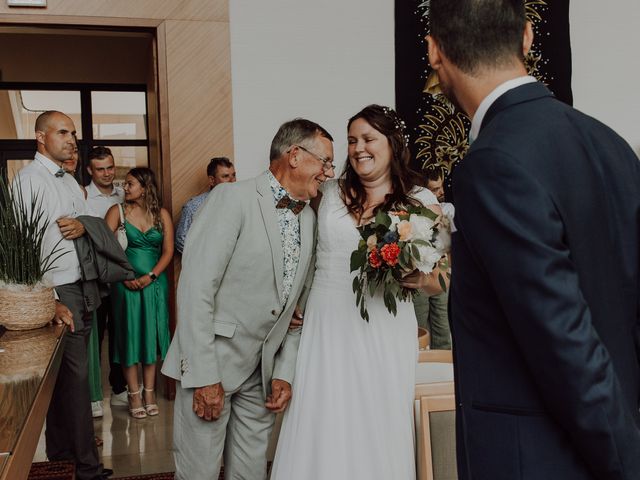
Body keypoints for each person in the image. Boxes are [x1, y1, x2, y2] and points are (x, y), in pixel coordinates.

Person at [427, 1, 640, 478]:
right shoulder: (611, 144)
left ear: (434, 51)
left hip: (542, 458)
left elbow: (562, 341)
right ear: (527, 37)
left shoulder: (491, 162)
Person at [270, 105, 445, 480]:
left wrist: (418, 278)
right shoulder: (327, 192)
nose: (358, 148)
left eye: (368, 139)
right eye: (352, 140)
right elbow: (300, 247)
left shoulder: (421, 201)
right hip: (326, 319)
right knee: (324, 412)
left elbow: (442, 278)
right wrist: (293, 303)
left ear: (392, 144)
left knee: (376, 413)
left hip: (384, 323)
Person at [161, 118, 335, 480]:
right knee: (199, 473)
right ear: (295, 156)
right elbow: (195, 291)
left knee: (250, 474)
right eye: (326, 162)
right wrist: (204, 376)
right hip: (213, 365)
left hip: (263, 373)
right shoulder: (231, 198)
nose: (329, 172)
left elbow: (297, 309)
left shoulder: (310, 220)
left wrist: (284, 372)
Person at [13, 111, 112, 480]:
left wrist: (83, 225)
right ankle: (87, 468)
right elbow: (25, 247)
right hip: (59, 291)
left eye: (73, 133)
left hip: (82, 285)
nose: (72, 139)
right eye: (63, 132)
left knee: (66, 380)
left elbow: (92, 223)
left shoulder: (69, 181)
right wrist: (50, 299)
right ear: (40, 137)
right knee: (77, 379)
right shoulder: (28, 180)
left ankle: (62, 455)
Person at [105, 167, 174, 419]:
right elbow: (105, 249)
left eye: (130, 184)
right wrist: (127, 276)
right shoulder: (117, 212)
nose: (125, 188)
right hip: (126, 286)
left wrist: (151, 276)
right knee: (129, 336)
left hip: (154, 284)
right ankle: (133, 394)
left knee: (150, 336)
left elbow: (168, 251)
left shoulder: (161, 215)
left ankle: (150, 393)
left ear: (144, 187)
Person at [85, 147, 128, 409]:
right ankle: (94, 395)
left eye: (110, 167)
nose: (106, 173)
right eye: (100, 169)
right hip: (95, 276)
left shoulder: (124, 193)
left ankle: (120, 386)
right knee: (96, 333)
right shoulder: (83, 196)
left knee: (120, 332)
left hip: (120, 277)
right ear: (90, 170)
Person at [414, 166, 452, 349]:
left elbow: (446, 247)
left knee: (443, 329)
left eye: (441, 187)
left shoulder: (444, 214)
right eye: (435, 189)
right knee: (419, 328)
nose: (441, 192)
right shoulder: (412, 213)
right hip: (420, 277)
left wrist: (446, 272)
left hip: (440, 278)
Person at [174, 156, 236, 254]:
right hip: (205, 266)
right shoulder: (193, 207)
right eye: (225, 176)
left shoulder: (242, 203)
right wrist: (206, 257)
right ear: (212, 180)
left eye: (233, 175)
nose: (232, 181)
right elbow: (181, 240)